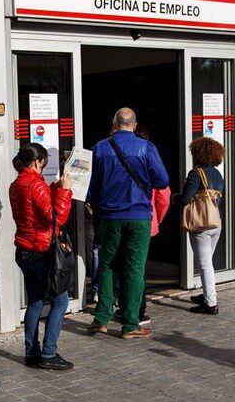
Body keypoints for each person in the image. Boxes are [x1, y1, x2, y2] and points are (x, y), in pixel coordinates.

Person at [86, 108, 169, 339]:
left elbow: (91, 186)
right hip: (139, 216)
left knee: (107, 265)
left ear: (114, 124)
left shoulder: (100, 148)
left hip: (110, 216)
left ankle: (101, 319)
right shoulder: (147, 148)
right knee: (134, 268)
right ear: (134, 124)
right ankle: (130, 325)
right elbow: (162, 180)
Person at [8, 142, 74, 370]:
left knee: (35, 301)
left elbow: (37, 209)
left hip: (24, 249)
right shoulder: (35, 184)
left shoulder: (17, 184)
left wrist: (54, 188)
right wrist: (64, 191)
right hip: (40, 250)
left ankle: (31, 352)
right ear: (37, 162)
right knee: (61, 301)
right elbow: (56, 217)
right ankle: (48, 352)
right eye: (44, 163)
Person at [173, 137, 225, 315]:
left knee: (205, 265)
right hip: (215, 223)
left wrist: (175, 198)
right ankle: (206, 295)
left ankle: (210, 303)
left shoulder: (196, 173)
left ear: (198, 153)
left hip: (201, 225)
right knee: (207, 263)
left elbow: (186, 198)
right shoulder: (218, 174)